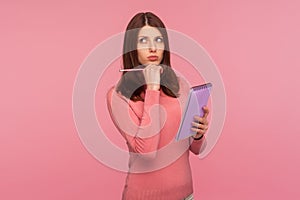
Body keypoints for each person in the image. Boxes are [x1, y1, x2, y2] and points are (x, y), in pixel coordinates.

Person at [107, 12, 209, 200]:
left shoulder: (180, 85)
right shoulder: (118, 95)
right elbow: (147, 152)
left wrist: (198, 134)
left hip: (185, 195)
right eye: (144, 40)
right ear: (132, 48)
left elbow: (196, 149)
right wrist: (152, 89)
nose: (153, 47)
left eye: (158, 40)